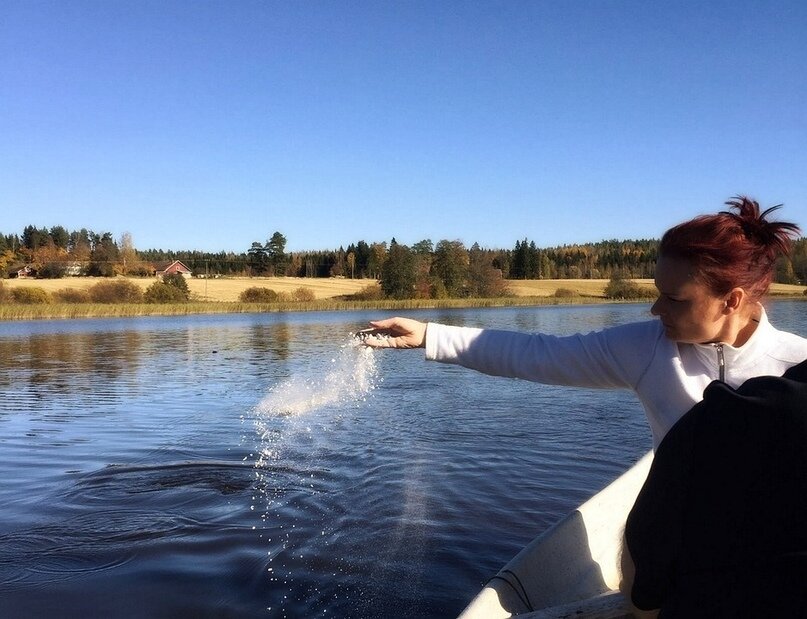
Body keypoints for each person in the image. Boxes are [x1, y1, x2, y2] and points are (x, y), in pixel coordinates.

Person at [363, 196, 807, 448]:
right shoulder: (648, 349)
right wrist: (428, 335)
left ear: (731, 301)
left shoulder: (797, 367)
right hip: (681, 536)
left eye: (672, 299)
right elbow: (539, 356)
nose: (655, 310)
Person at [622, 359, 807, 617]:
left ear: (730, 313)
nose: (656, 314)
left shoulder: (722, 415)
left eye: (676, 312)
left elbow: (643, 590)